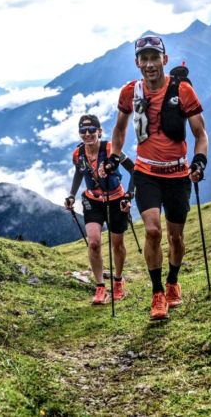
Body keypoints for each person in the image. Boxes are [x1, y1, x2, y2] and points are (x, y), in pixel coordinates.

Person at [105, 34, 208, 320]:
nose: (150, 64)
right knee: (152, 231)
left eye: (154, 58)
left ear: (165, 59)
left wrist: (199, 162)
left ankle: (173, 281)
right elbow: (120, 129)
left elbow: (201, 134)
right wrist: (114, 155)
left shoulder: (183, 91)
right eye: (144, 59)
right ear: (137, 62)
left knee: (176, 237)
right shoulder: (130, 92)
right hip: (146, 173)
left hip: (177, 173)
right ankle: (157, 293)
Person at [64, 114, 135, 305]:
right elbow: (79, 173)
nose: (87, 134)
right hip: (92, 201)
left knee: (117, 244)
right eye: (83, 130)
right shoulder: (78, 154)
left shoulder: (112, 149)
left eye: (91, 130)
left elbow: (134, 169)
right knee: (94, 243)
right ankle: (100, 287)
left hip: (116, 199)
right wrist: (72, 195)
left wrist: (129, 195)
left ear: (99, 131)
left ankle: (118, 281)